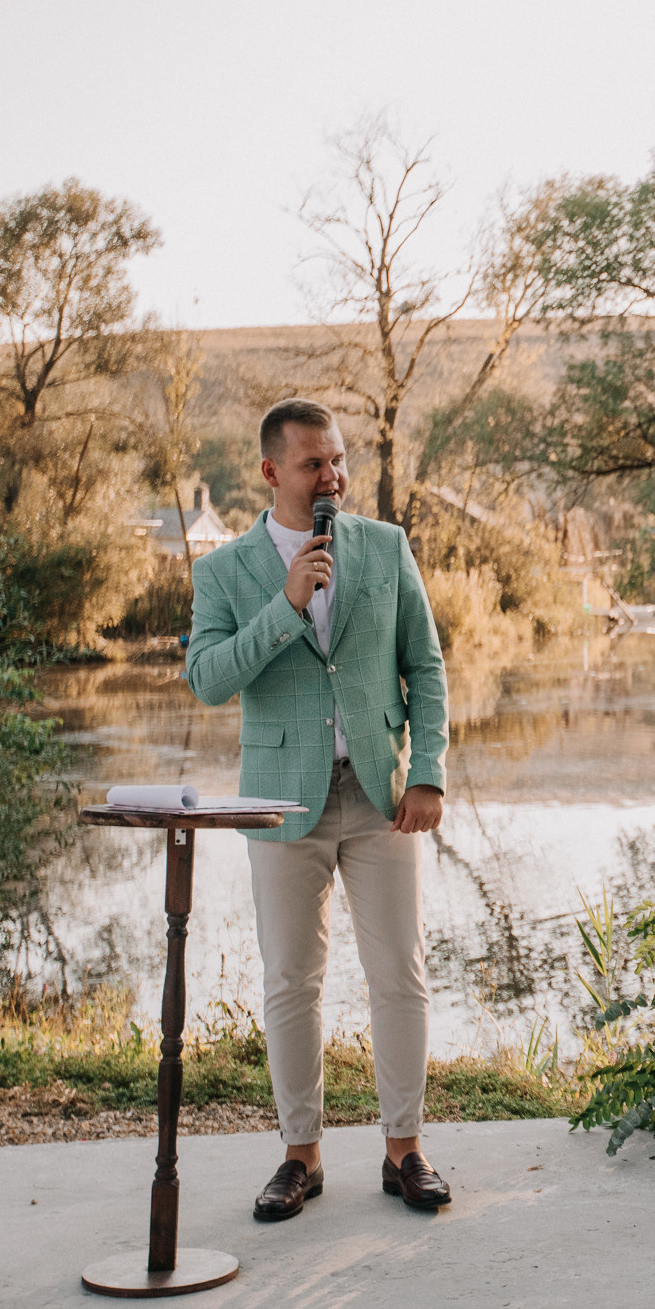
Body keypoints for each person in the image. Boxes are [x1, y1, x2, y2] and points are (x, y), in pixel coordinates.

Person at [182, 399, 452, 1221]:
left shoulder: (385, 546)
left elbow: (426, 668)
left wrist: (429, 771)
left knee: (398, 976)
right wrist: (285, 606)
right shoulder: (223, 572)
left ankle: (404, 1147)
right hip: (279, 800)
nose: (331, 476)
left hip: (379, 793)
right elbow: (209, 679)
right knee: (291, 982)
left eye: (337, 460)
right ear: (271, 472)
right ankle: (300, 1155)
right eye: (312, 464)